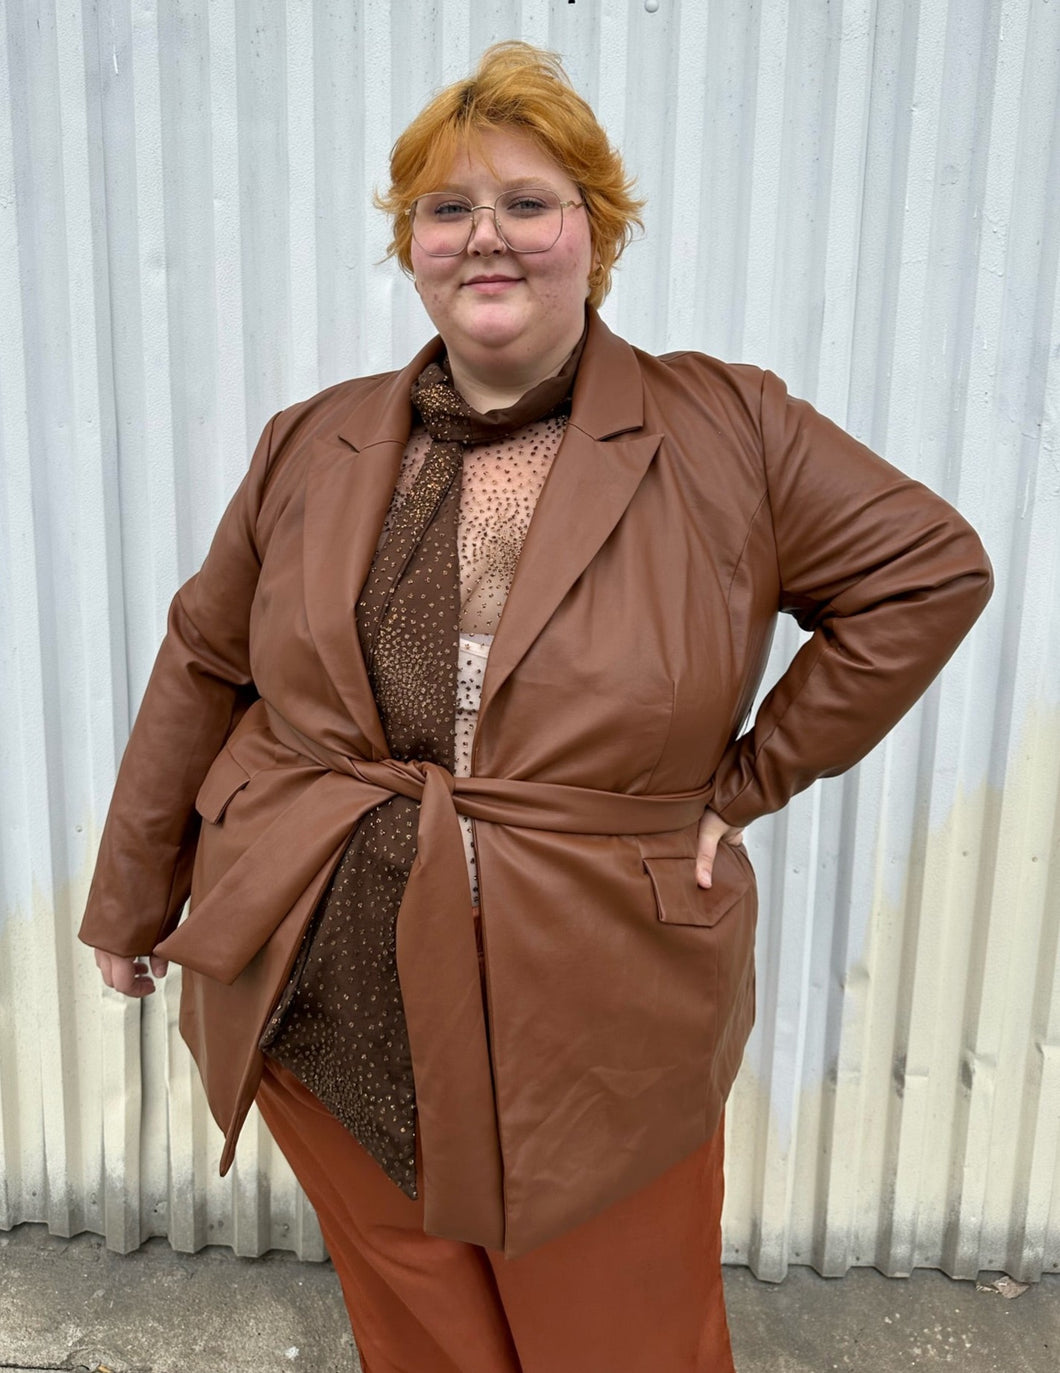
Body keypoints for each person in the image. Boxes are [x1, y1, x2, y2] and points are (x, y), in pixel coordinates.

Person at [80, 40, 992, 1373]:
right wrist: (130, 895)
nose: (484, 236)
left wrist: (747, 783)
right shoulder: (311, 440)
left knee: (618, 1339)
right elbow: (202, 659)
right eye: (447, 209)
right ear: (411, 245)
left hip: (593, 1003)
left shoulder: (730, 429)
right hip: (324, 980)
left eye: (528, 202)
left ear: (594, 233)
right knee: (421, 1330)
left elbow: (929, 570)